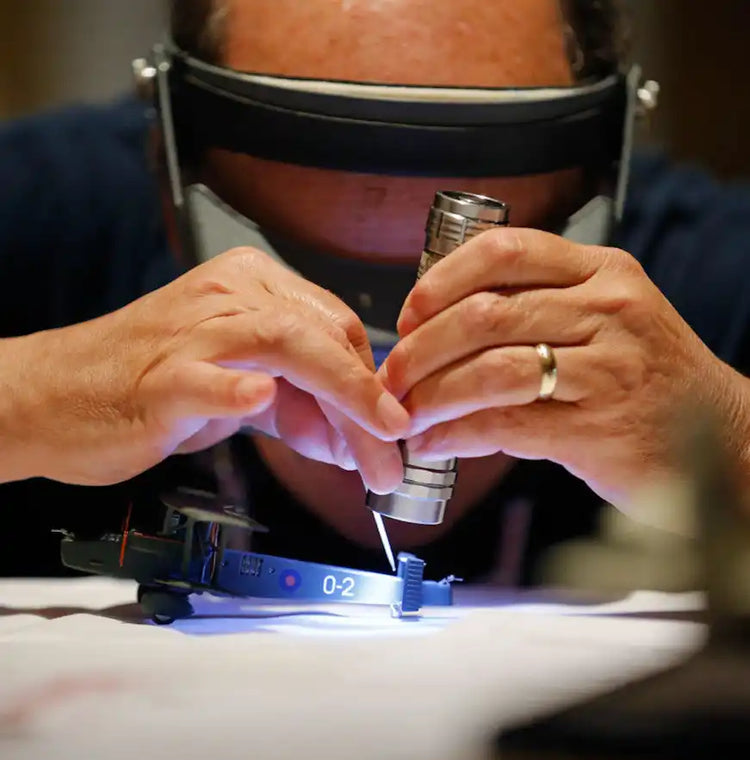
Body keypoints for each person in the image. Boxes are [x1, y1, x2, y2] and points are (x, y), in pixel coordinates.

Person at [2, 0, 750, 583]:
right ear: (175, 162)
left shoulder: (696, 285)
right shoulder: (45, 214)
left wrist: (730, 440)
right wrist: (28, 400)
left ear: (598, 172)